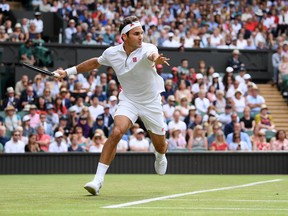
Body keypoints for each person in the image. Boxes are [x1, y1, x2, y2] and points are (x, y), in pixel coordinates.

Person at [54, 16, 169, 196]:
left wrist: (157, 60)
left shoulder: (149, 49)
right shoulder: (112, 53)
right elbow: (94, 63)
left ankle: (160, 155)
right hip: (129, 100)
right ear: (124, 37)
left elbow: (152, 55)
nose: (141, 37)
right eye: (136, 34)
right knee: (116, 132)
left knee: (161, 146)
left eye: (142, 33)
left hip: (151, 102)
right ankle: (97, 180)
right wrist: (67, 72)